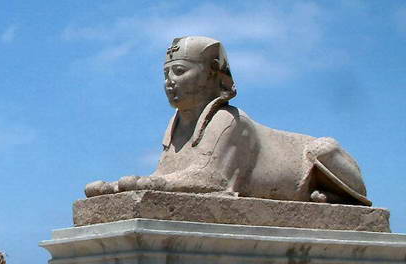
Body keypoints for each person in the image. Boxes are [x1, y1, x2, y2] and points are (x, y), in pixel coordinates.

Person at [85, 36, 370, 205]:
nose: (170, 82)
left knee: (323, 149)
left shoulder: (228, 121)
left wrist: (137, 185)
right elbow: (164, 176)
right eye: (166, 74)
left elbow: (213, 181)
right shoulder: (176, 125)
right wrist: (117, 188)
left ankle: (341, 199)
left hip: (306, 167)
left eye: (180, 71)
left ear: (212, 73)